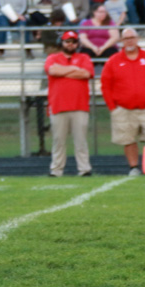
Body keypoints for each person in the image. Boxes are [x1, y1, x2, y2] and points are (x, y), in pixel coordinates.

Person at [101, 27, 145, 176]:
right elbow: (105, 85)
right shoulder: (113, 61)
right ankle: (133, 167)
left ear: (137, 39)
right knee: (128, 139)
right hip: (124, 108)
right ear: (121, 41)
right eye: (126, 38)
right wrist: (112, 107)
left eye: (132, 37)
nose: (129, 41)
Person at [45, 30, 94, 177]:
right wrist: (73, 69)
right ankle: (56, 170)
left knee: (81, 140)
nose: (70, 44)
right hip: (58, 105)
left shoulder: (84, 57)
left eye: (73, 42)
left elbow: (86, 73)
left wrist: (63, 72)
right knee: (58, 140)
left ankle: (84, 169)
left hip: (79, 105)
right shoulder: (53, 58)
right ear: (62, 43)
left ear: (77, 44)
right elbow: (52, 71)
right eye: (67, 41)